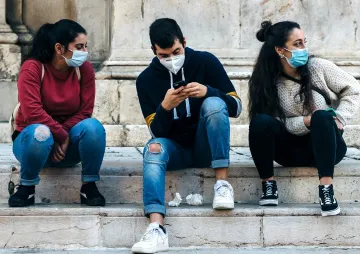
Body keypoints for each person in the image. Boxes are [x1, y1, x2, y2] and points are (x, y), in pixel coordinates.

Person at [132, 18, 242, 253]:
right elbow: (156, 133)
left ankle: (222, 184)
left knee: (213, 103)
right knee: (152, 148)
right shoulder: (146, 80)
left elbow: (237, 107)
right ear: (154, 51)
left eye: (176, 51)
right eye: (164, 55)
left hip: (207, 148)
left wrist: (208, 91)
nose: (171, 59)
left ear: (184, 42)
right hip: (175, 150)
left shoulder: (205, 62)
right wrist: (165, 107)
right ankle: (156, 228)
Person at [248, 20, 360, 216]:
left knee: (321, 117)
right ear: (280, 50)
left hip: (326, 147)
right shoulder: (265, 82)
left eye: (304, 42)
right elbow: (275, 121)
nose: (304, 49)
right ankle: (269, 186)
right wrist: (304, 122)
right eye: (297, 44)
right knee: (259, 122)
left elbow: (354, 91)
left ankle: (326, 190)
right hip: (288, 150)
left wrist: (340, 118)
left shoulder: (318, 67)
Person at [8, 19, 106, 207]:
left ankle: (89, 186)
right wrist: (61, 135)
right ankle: (27, 188)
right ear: (59, 49)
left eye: (85, 46)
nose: (84, 52)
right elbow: (32, 112)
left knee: (94, 128)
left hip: (66, 148)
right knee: (41, 132)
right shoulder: (33, 68)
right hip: (33, 145)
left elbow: (85, 111)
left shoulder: (83, 69)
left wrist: (64, 138)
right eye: (79, 47)